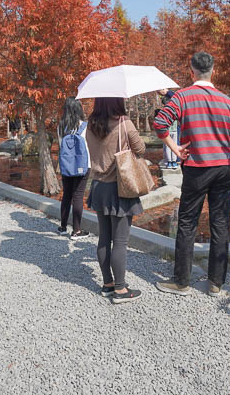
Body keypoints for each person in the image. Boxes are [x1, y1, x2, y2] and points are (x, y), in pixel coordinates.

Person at [154, 51, 230, 297]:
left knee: (187, 223)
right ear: (213, 71)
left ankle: (181, 282)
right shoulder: (227, 101)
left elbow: (161, 124)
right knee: (221, 224)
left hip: (197, 168)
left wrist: (175, 148)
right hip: (224, 168)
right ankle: (215, 284)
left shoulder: (182, 97)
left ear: (191, 71)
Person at [85, 97, 145, 304]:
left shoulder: (90, 125)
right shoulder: (124, 123)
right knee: (120, 241)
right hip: (119, 189)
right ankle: (120, 289)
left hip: (98, 187)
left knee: (104, 237)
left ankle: (108, 283)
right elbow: (141, 149)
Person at [57, 97, 90, 238]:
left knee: (67, 195)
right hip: (83, 165)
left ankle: (63, 227)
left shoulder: (61, 126)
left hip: (66, 165)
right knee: (78, 196)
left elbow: (60, 146)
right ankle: (76, 230)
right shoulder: (86, 126)